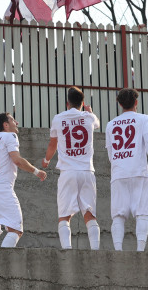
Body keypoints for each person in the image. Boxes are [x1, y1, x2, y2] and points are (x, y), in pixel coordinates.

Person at [42, 86, 101, 250]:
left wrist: (46, 160)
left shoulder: (58, 118)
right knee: (90, 215)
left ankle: (66, 250)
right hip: (87, 171)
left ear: (67, 103)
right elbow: (97, 122)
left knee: (64, 216)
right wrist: (90, 111)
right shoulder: (89, 118)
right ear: (82, 103)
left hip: (68, 172)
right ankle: (95, 250)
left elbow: (52, 144)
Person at [0, 112, 46, 248]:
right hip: (1, 189)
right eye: (13, 120)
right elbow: (17, 160)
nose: (17, 123)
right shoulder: (10, 136)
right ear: (6, 125)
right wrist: (37, 171)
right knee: (16, 229)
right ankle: (4, 267)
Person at [105, 88, 148, 252]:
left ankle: (118, 250)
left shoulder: (111, 124)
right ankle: (140, 250)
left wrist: (117, 166)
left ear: (120, 104)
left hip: (119, 172)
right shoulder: (143, 119)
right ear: (136, 102)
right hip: (138, 171)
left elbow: (110, 151)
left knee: (118, 215)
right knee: (141, 212)